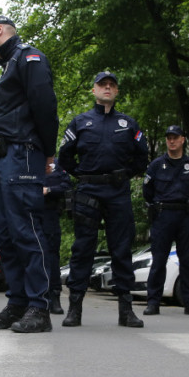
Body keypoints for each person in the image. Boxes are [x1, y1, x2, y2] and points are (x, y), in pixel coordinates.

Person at [0, 15, 59, 333]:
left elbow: (45, 104)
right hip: (7, 156)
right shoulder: (11, 64)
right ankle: (19, 303)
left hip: (24, 152)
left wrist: (47, 150)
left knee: (27, 230)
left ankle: (39, 307)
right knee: (6, 235)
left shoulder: (28, 56)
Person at [58, 71, 148, 328]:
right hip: (88, 191)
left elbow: (141, 158)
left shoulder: (129, 124)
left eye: (112, 85)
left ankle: (126, 310)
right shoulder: (80, 122)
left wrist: (123, 176)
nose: (107, 88)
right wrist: (83, 176)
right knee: (82, 249)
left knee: (121, 249)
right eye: (102, 84)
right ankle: (74, 309)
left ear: (117, 91)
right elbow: (65, 156)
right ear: (94, 90)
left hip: (118, 192)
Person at [142, 125, 189, 316]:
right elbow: (147, 191)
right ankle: (153, 302)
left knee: (188, 261)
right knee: (159, 260)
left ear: (183, 139)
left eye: (175, 137)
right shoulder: (156, 165)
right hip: (163, 216)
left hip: (186, 216)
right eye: (169, 137)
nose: (172, 141)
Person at [44, 159, 71, 315]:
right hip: (30, 216)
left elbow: (67, 187)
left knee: (52, 259)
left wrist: (48, 190)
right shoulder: (26, 161)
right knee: (32, 257)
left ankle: (54, 298)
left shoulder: (58, 165)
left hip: (50, 217)